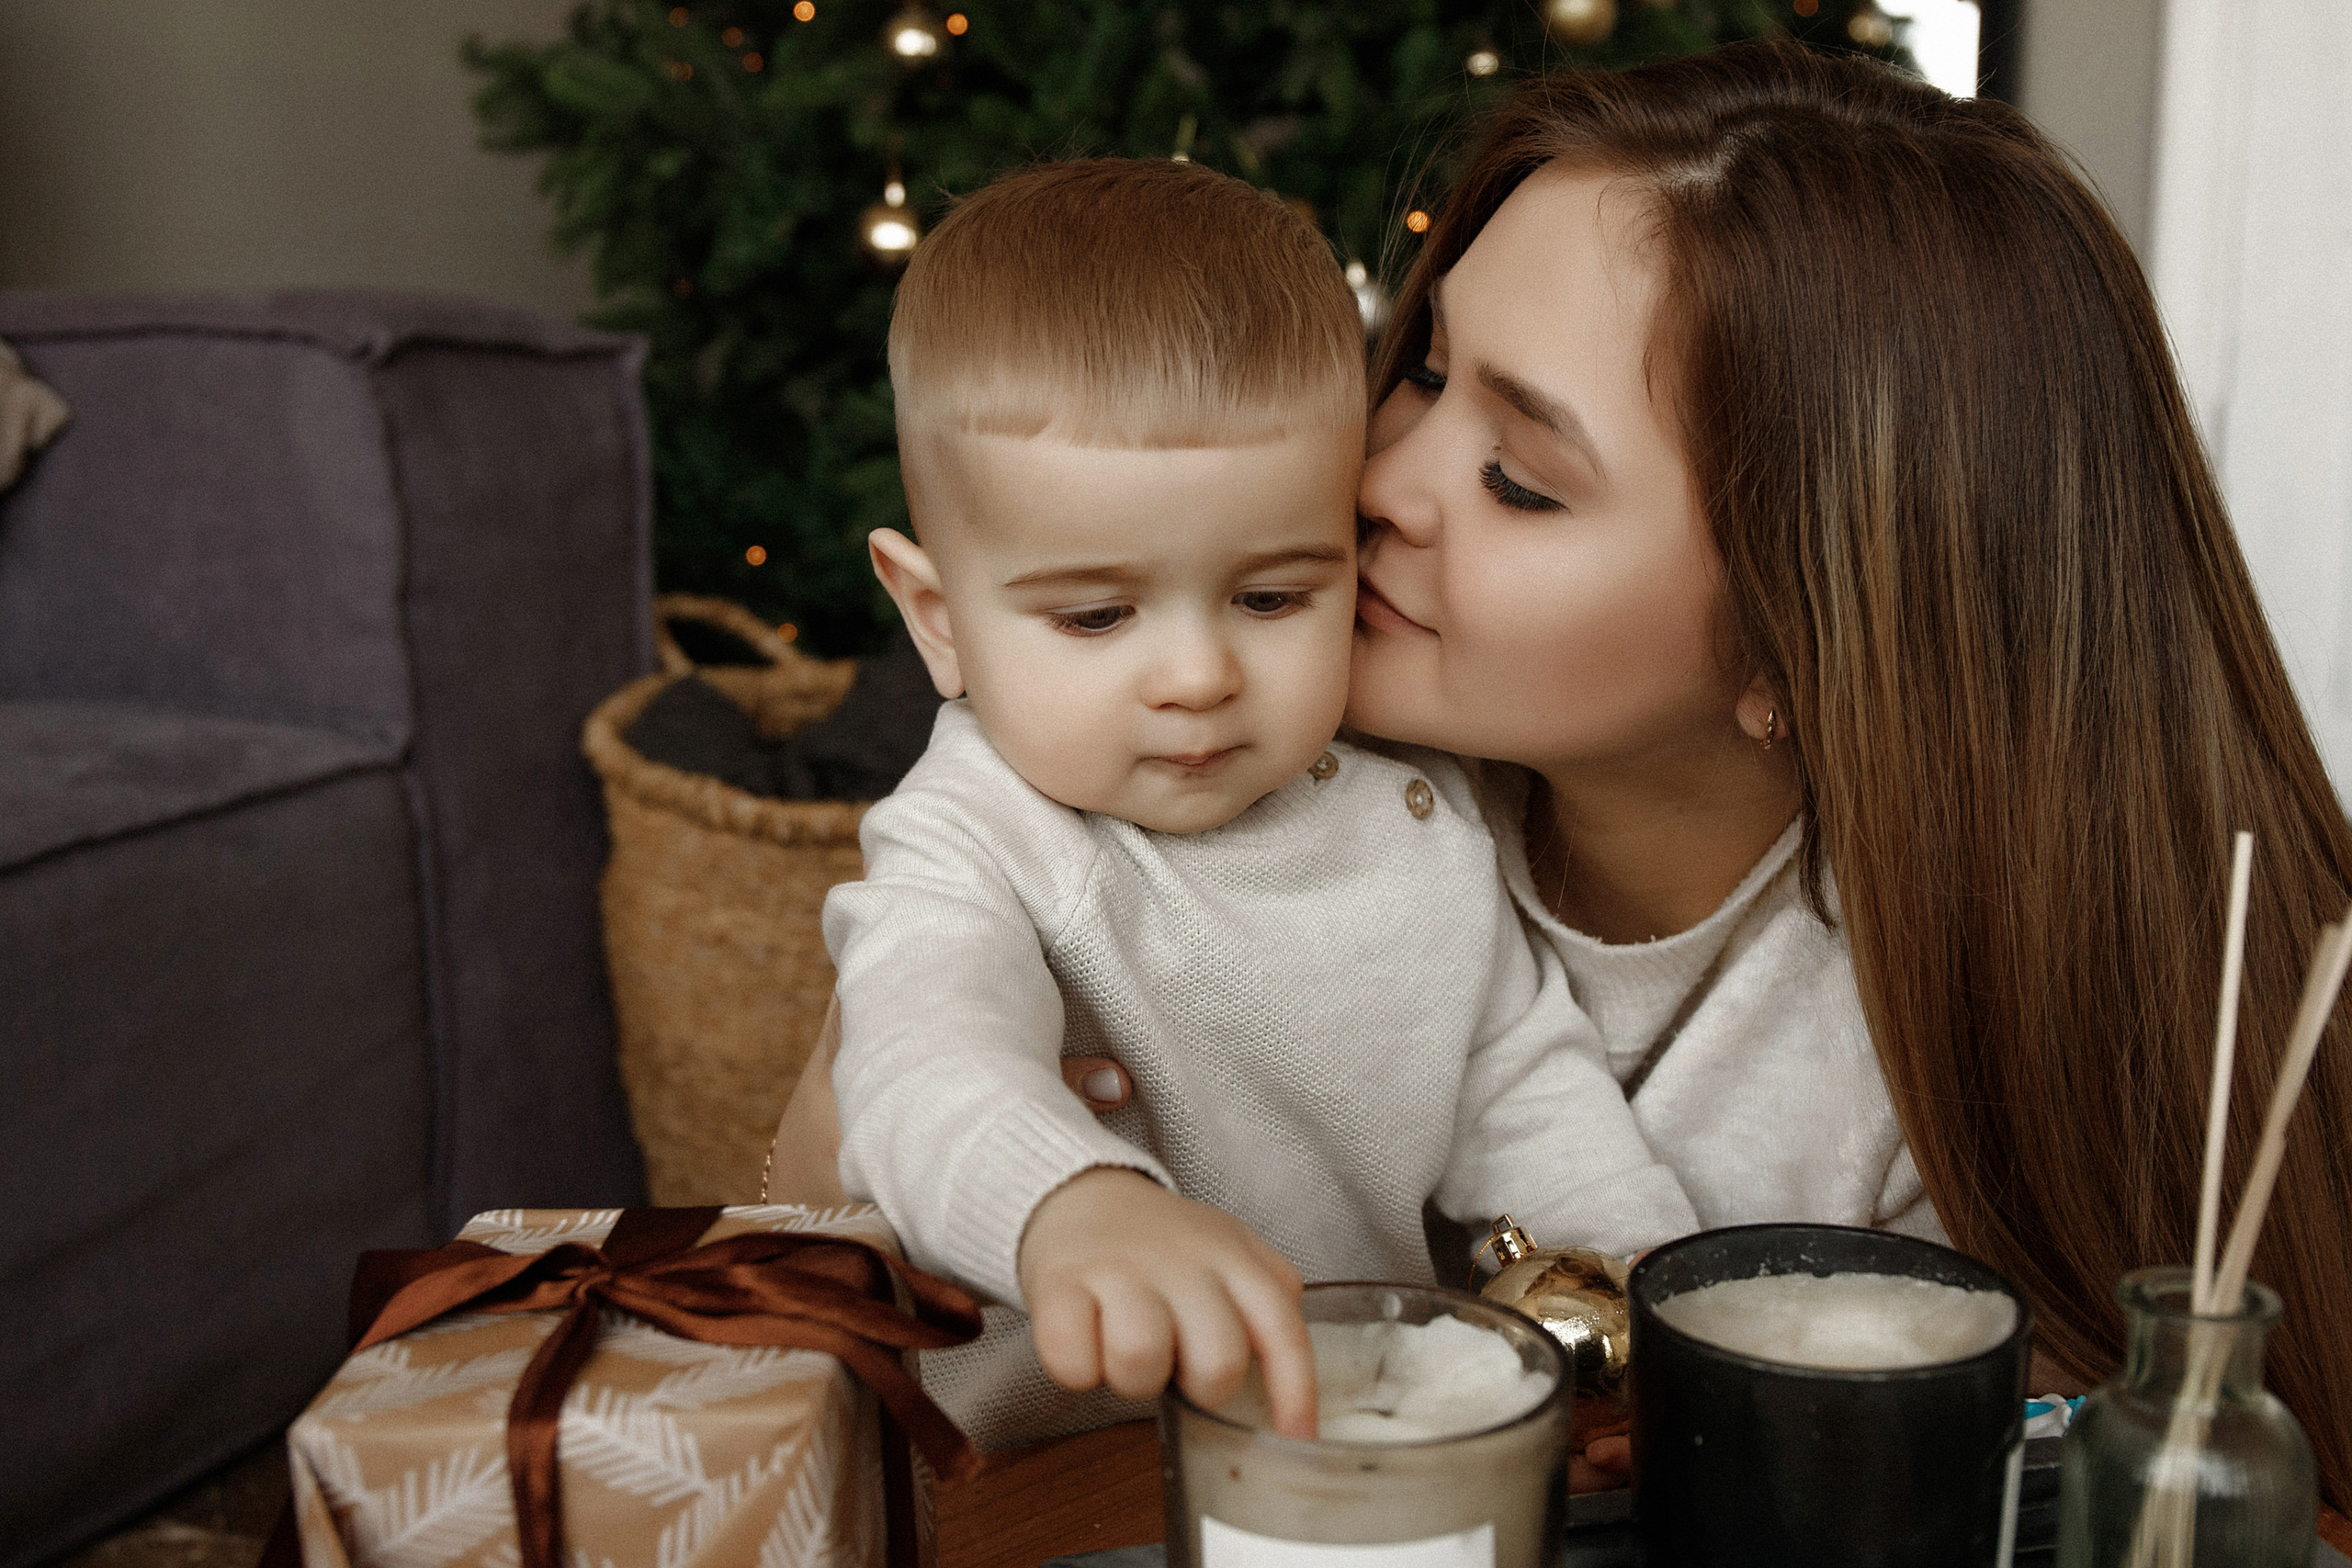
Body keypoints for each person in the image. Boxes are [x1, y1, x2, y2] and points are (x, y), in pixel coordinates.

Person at [774, 42, 2351, 1513]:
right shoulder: (1214, 754)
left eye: (1522, 480)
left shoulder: (1947, 1046)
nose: (1372, 486)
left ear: (1799, 648)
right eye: (1425, 367)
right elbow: (891, 1112)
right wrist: (989, 1167)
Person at [824, 157, 1699, 1450]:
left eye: (1274, 597)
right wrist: (1071, 1201)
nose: (1196, 678)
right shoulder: (977, 835)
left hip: (1331, 1436)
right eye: (1098, 614)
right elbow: (919, 1058)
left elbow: (1523, 1085)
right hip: (1036, 1470)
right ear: (939, 621)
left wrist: (1649, 1281)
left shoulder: (1420, 820)